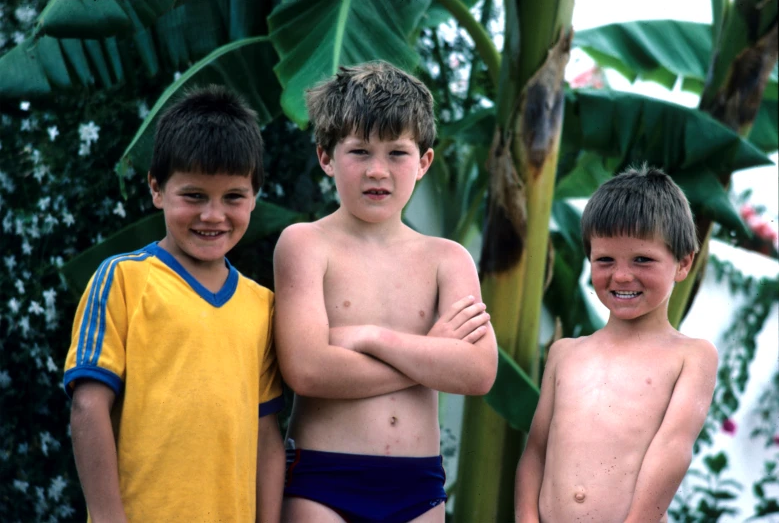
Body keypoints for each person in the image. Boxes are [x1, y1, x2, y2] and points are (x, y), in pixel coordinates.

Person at [273, 61, 498, 523]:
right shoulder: (305, 244)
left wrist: (373, 337)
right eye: (359, 151)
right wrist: (432, 354)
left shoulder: (447, 258)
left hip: (417, 487)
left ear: (424, 162)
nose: (378, 170)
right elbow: (309, 370)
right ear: (326, 157)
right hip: (323, 478)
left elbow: (477, 371)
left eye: (397, 153)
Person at [63, 85, 285, 522]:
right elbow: (87, 406)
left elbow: (266, 435)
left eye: (233, 197)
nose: (213, 215)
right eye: (194, 195)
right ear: (157, 189)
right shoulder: (122, 279)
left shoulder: (263, 306)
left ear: (255, 196)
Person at [514, 165, 719, 522]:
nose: (622, 275)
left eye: (642, 259)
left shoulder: (691, 356)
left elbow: (672, 450)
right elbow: (536, 450)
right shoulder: (565, 353)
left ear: (683, 263)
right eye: (605, 259)